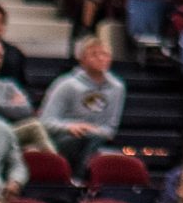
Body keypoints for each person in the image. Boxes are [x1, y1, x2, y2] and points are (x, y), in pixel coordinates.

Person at [33, 34, 121, 172]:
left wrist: (93, 130)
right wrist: (70, 127)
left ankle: (83, 181)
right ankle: (76, 179)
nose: (100, 58)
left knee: (97, 142)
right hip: (64, 138)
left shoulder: (117, 87)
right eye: (94, 54)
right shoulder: (66, 84)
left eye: (104, 54)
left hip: (97, 138)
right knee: (85, 141)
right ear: (82, 59)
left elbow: (111, 127)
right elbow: (45, 121)